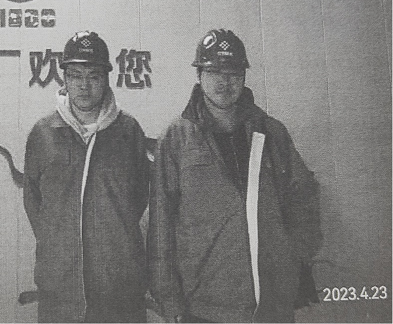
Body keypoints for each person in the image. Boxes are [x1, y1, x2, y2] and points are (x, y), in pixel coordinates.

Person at [149, 29, 322, 323]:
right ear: (199, 75)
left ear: (243, 77)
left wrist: (292, 258)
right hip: (202, 305)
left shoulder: (271, 133)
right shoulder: (176, 139)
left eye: (232, 73)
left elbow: (303, 197)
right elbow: (161, 225)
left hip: (271, 304)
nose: (223, 81)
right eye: (214, 72)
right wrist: (168, 298)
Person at [23, 30, 150, 323]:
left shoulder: (128, 131)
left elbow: (139, 197)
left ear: (106, 79)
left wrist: (113, 238)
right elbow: (33, 201)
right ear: (64, 79)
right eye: (76, 75)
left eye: (93, 76)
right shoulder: (43, 133)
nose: (84, 86)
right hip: (59, 288)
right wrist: (57, 242)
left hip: (119, 288)